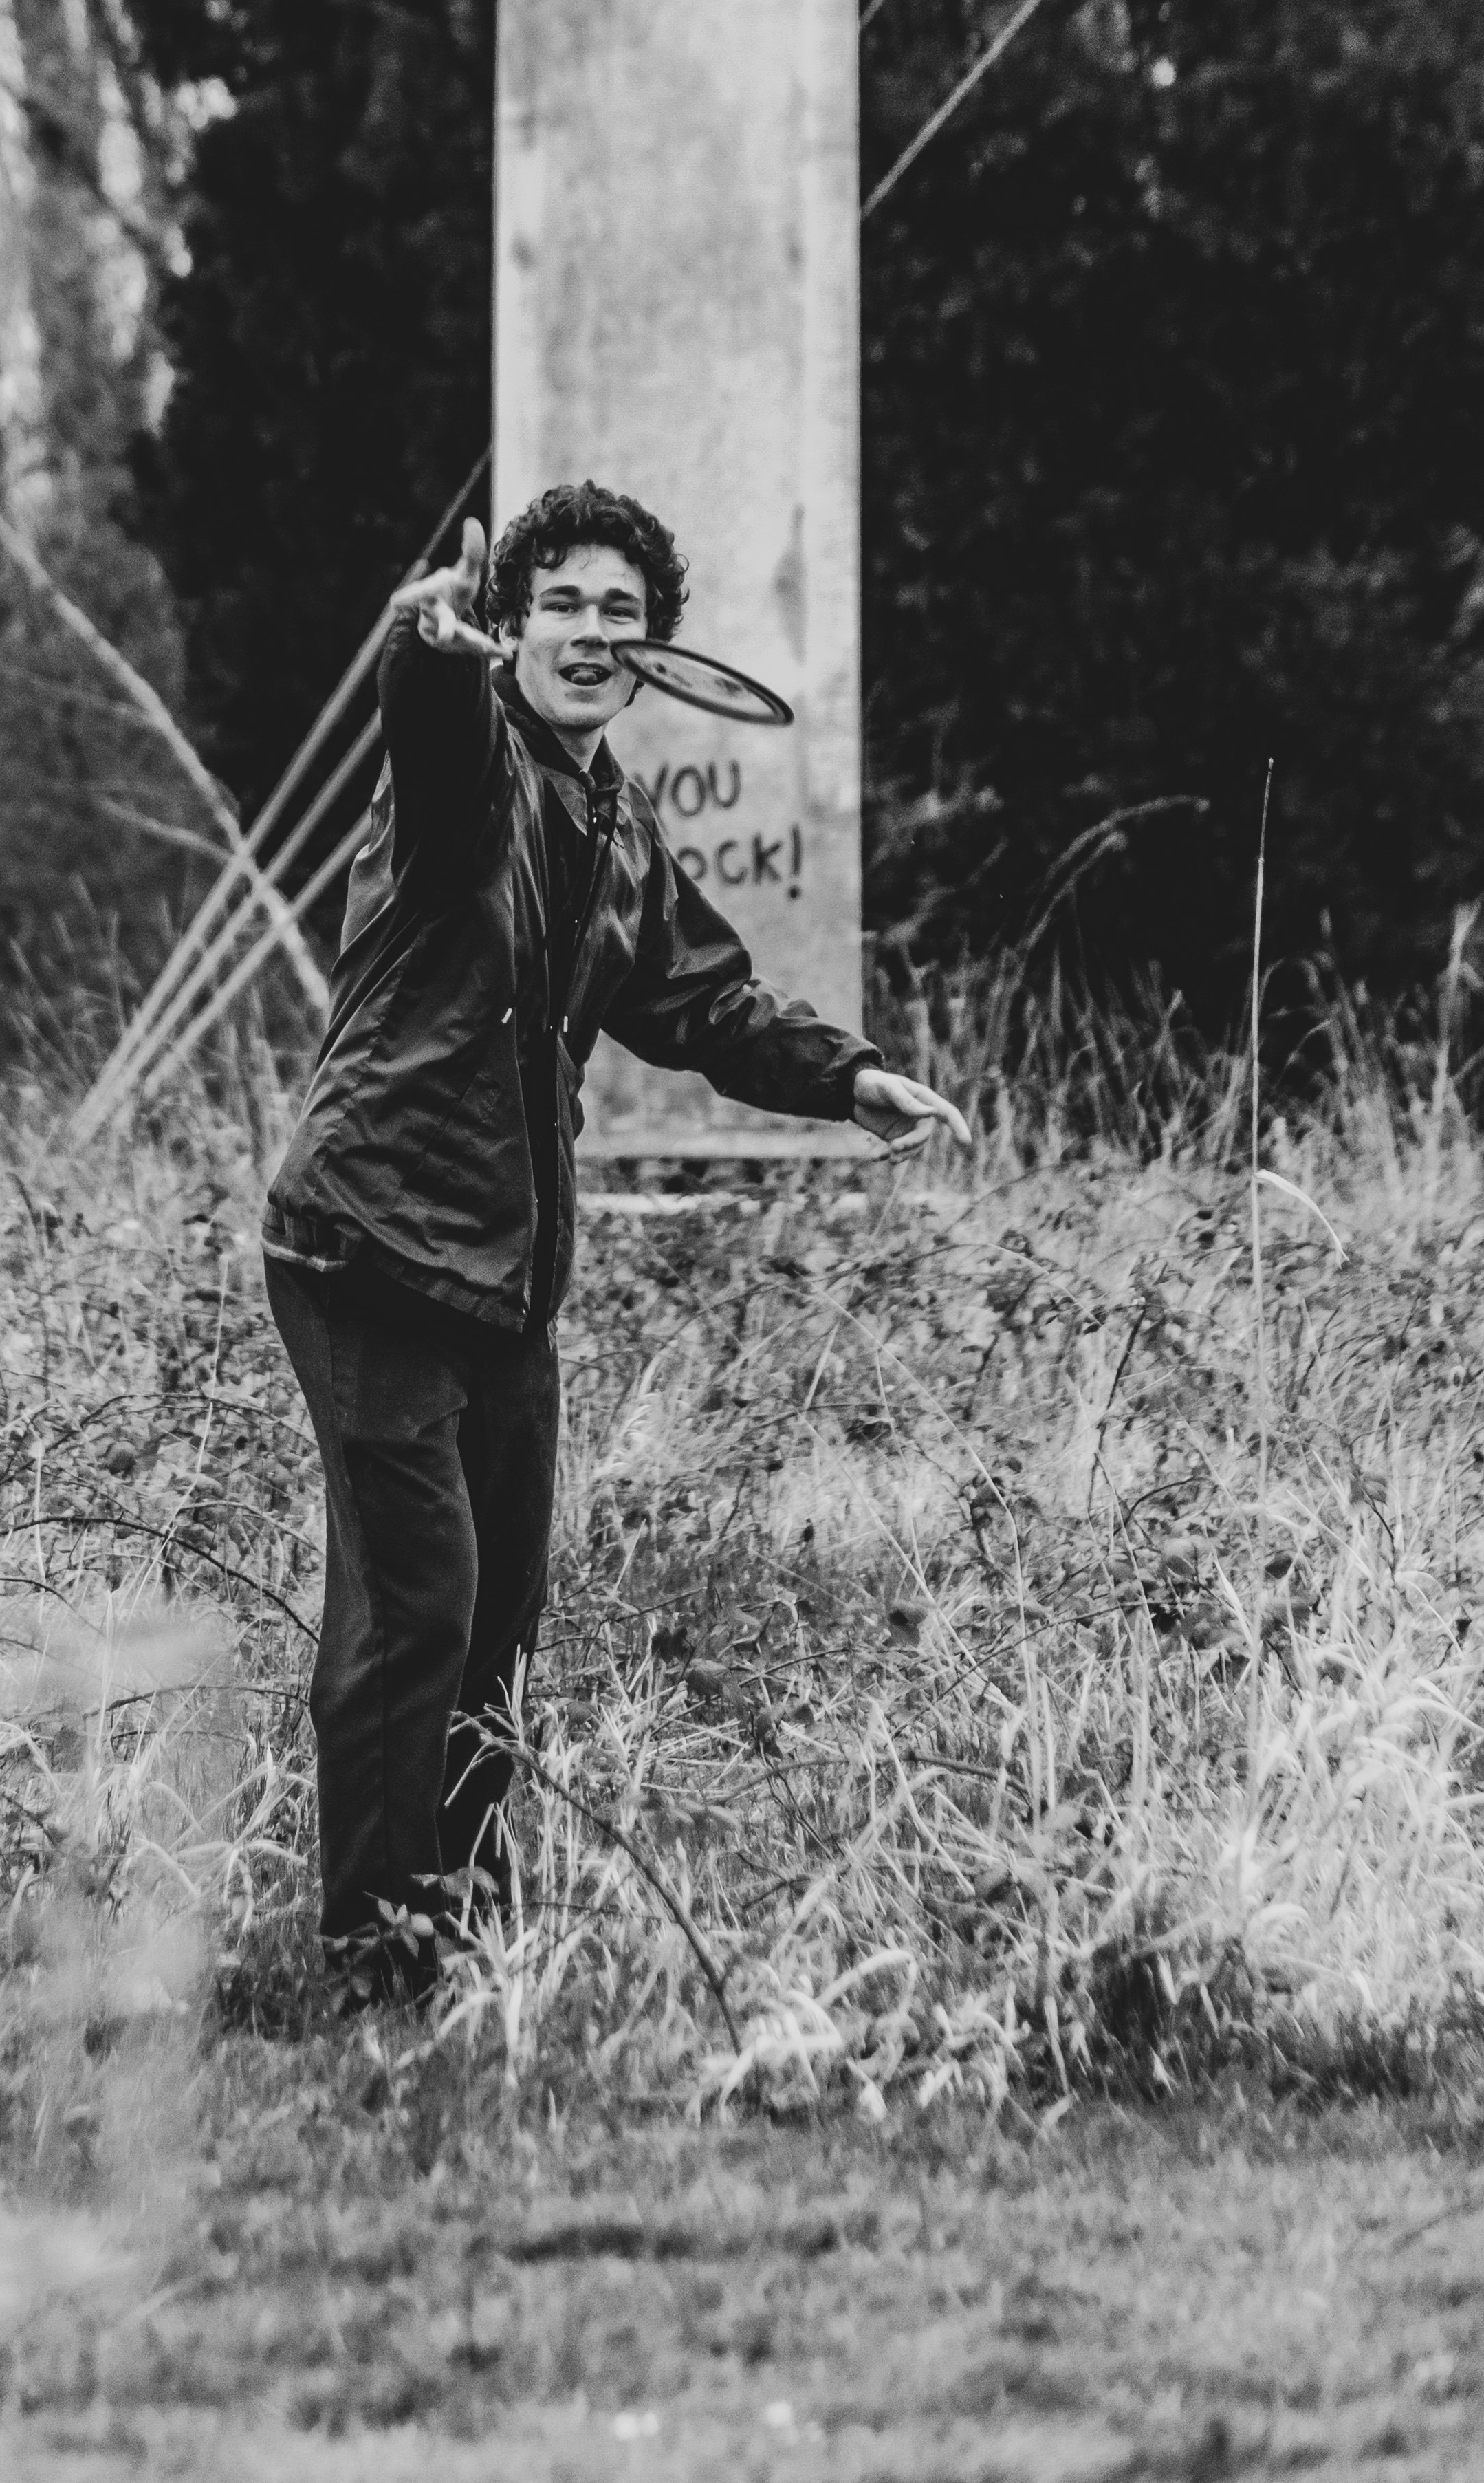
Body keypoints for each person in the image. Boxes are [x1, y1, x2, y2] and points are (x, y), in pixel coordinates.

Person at [262, 479, 968, 1993]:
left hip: (502, 1282)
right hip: (367, 1243)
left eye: (622, 619)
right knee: (416, 1613)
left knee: (496, 1619)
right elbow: (431, 718)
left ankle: (459, 1931)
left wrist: (843, 1079)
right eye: (565, 606)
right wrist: (423, 647)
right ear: (512, 626)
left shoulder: (613, 821)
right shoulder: (465, 771)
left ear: (650, 658)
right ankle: (374, 1959)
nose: (592, 635)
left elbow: (701, 999)